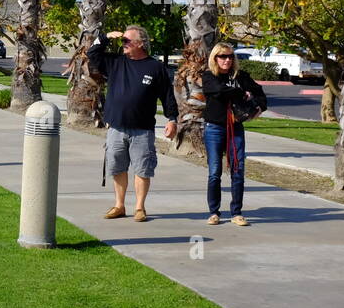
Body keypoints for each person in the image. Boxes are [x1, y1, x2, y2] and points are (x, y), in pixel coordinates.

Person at [88, 25, 179, 222]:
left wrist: (172, 119)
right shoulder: (115, 62)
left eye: (127, 41)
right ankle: (119, 205)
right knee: (117, 167)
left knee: (142, 169)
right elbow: (92, 54)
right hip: (116, 127)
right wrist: (104, 37)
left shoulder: (155, 67)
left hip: (142, 130)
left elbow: (167, 96)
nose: (123, 44)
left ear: (141, 43)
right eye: (122, 41)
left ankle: (139, 207)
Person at [201, 42, 267, 226]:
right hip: (214, 127)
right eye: (222, 56)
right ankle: (214, 212)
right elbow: (217, 90)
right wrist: (241, 93)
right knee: (215, 172)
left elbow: (260, 94)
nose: (227, 60)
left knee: (238, 171)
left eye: (230, 56)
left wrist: (258, 107)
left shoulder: (240, 76)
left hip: (235, 128)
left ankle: (236, 212)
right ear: (215, 58)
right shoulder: (209, 76)